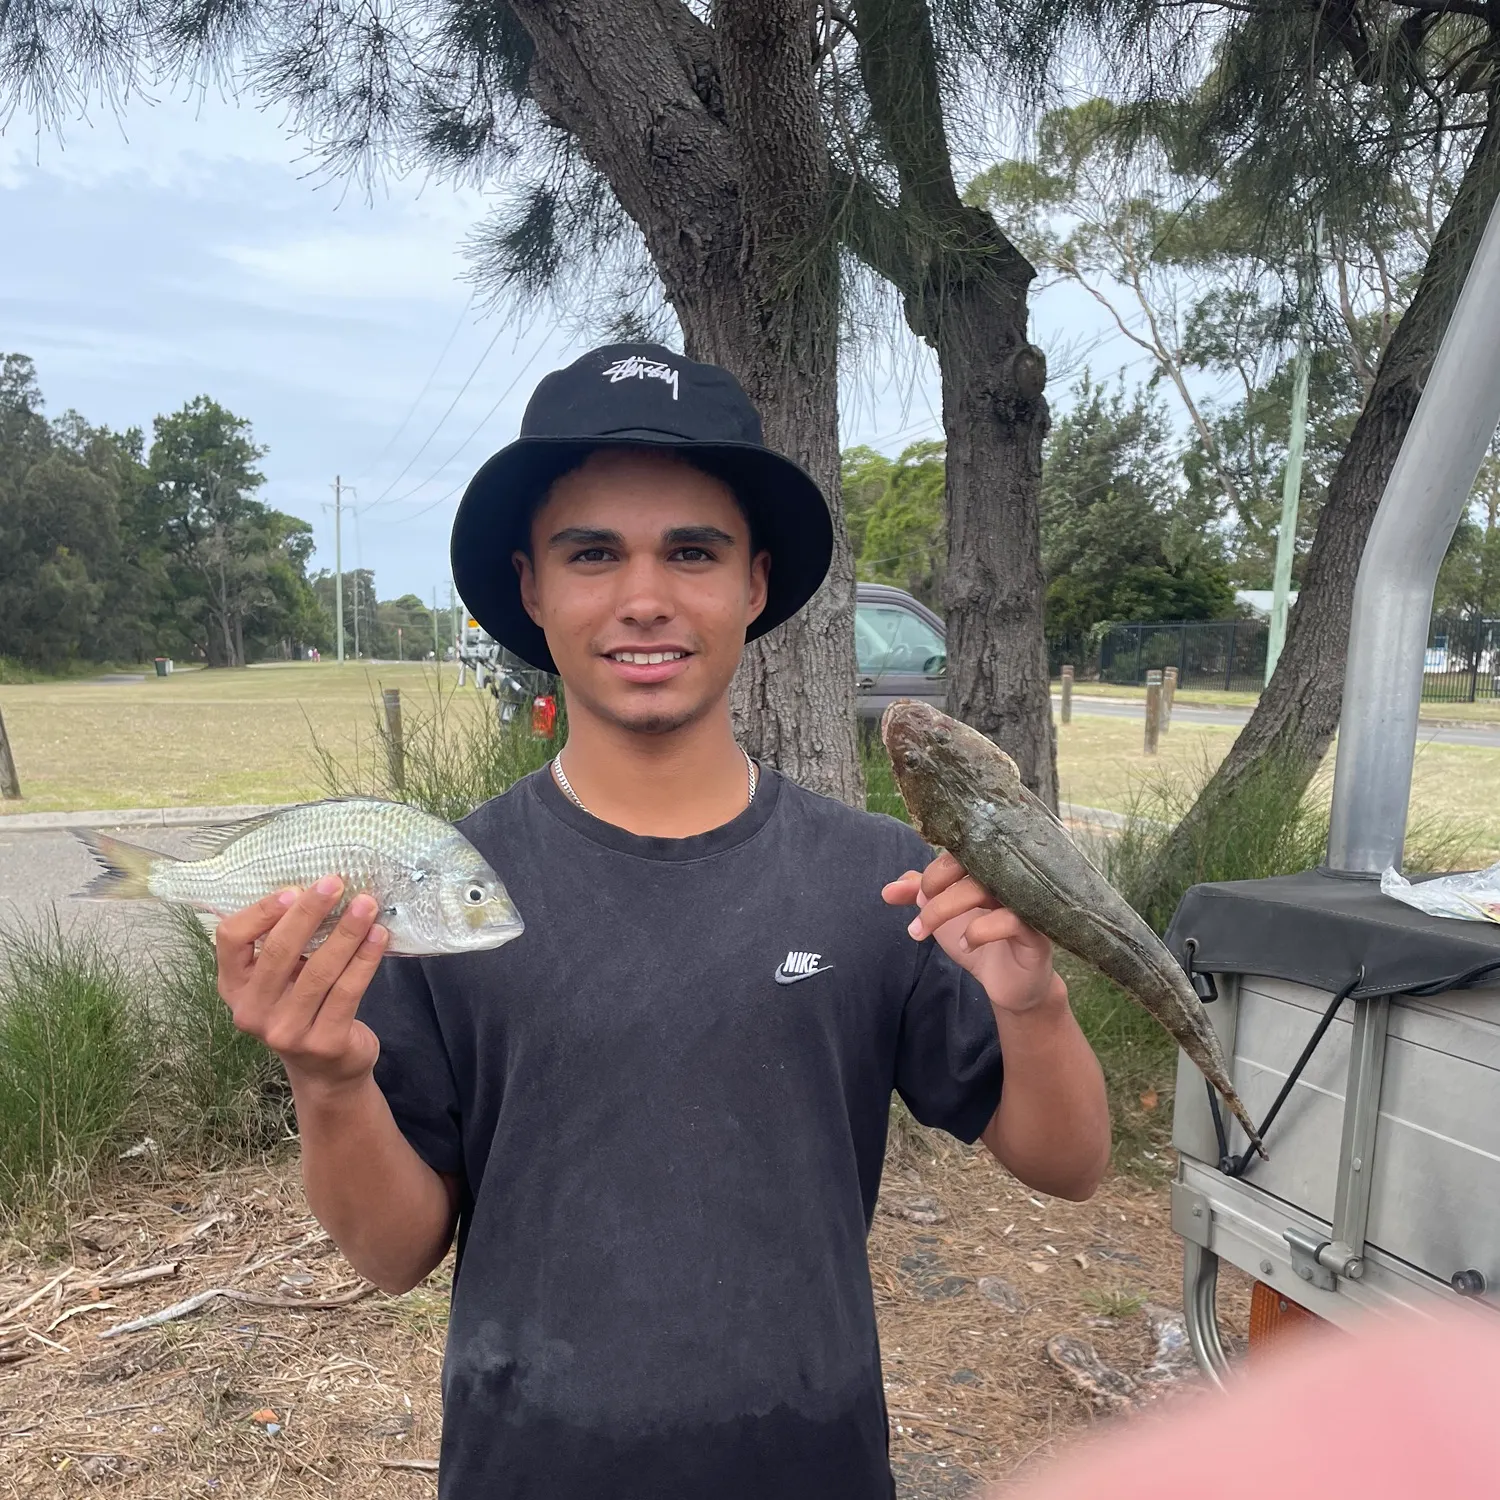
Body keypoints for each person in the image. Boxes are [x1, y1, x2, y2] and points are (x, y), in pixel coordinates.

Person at [213, 343, 1111, 1500]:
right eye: (594, 554)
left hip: (813, 1458)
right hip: (525, 1462)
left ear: (753, 583)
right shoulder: (446, 891)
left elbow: (1072, 1163)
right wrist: (326, 1080)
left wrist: (1033, 1002)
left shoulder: (883, 879)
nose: (645, 596)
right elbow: (392, 1255)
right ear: (532, 588)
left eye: (692, 550)